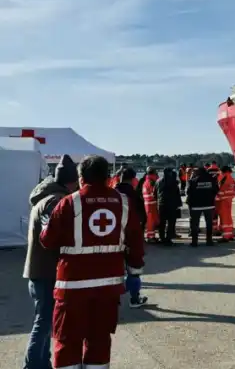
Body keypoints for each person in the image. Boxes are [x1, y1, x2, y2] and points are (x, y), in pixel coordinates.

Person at [40, 155, 145, 369]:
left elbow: (48, 241)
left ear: (81, 178)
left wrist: (45, 226)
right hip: (108, 289)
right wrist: (134, 271)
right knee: (99, 342)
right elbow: (136, 241)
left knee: (67, 342)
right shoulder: (123, 203)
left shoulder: (69, 202)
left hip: (72, 288)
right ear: (108, 178)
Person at [22, 154, 79, 369]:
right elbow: (53, 237)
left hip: (39, 271)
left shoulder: (45, 198)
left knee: (45, 322)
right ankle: (33, 366)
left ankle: (41, 364)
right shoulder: (55, 201)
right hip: (46, 272)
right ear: (71, 182)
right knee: (44, 323)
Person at [116, 167, 149, 307]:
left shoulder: (112, 193)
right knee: (134, 269)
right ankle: (134, 298)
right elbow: (141, 216)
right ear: (133, 179)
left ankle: (113, 299)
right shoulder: (133, 195)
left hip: (112, 237)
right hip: (131, 237)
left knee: (113, 269)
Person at [186, 164, 219, 246]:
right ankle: (209, 241)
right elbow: (216, 190)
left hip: (196, 206)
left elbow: (188, 192)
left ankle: (194, 242)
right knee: (209, 223)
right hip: (209, 205)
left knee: (195, 224)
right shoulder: (212, 180)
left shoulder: (193, 181)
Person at [156, 168, 182, 245]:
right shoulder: (174, 182)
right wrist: (178, 204)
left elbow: (155, 192)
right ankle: (168, 239)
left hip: (161, 204)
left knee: (162, 222)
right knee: (171, 223)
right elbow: (177, 194)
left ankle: (161, 237)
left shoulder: (158, 181)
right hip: (171, 205)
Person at [215, 166, 235, 241]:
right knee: (228, 217)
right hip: (229, 200)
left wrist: (216, 198)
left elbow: (219, 190)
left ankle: (226, 236)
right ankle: (230, 234)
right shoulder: (232, 179)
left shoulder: (222, 178)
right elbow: (233, 191)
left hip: (222, 201)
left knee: (224, 219)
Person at [141, 167, 160, 243]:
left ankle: (151, 236)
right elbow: (154, 193)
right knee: (151, 222)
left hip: (148, 204)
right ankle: (150, 237)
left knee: (151, 221)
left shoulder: (146, 181)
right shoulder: (151, 182)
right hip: (151, 204)